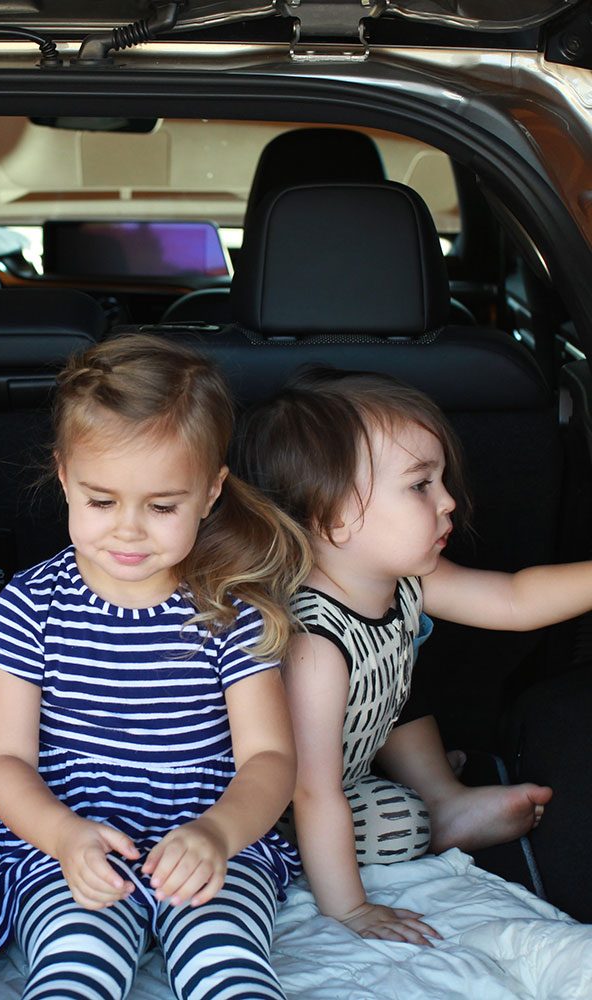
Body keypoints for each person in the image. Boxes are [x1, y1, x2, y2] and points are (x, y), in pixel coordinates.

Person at [0, 334, 310, 1000]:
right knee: (74, 965)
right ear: (65, 475)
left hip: (213, 844)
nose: (128, 531)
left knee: (229, 967)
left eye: (161, 507)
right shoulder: (30, 607)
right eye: (101, 502)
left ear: (210, 493)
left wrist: (218, 832)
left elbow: (270, 759)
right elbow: (2, 763)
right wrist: (63, 838)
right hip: (67, 848)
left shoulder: (229, 610)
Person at [236, 365, 570, 947]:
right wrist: (352, 909)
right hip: (285, 805)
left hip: (356, 751)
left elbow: (516, 599)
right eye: (420, 485)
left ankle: (446, 797)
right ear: (333, 514)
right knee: (399, 825)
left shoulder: (404, 580)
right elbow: (311, 791)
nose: (447, 501)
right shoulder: (314, 647)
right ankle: (433, 815)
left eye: (441, 481)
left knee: (398, 667)